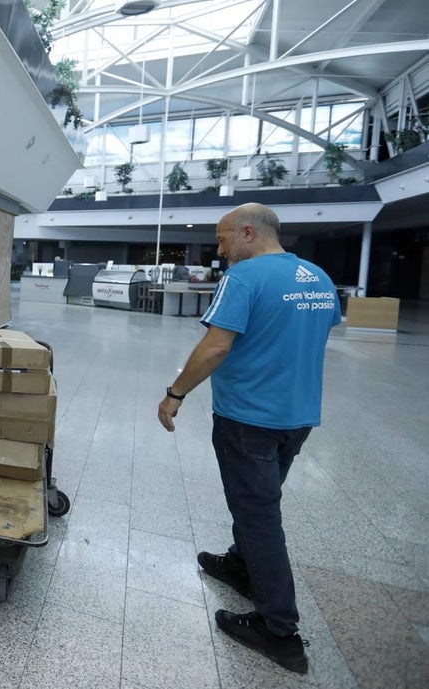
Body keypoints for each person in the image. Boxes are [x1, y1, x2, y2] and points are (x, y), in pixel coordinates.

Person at [157, 203, 340, 674]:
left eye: (222, 239)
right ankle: (242, 565)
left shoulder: (243, 278)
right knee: (258, 500)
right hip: (297, 416)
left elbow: (217, 345)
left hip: (249, 418)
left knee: (259, 516)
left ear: (248, 233)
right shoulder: (318, 278)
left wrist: (175, 393)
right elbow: (313, 334)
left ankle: (279, 631)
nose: (220, 250)